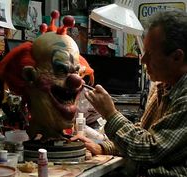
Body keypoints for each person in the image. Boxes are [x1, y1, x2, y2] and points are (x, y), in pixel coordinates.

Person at [71, 10, 187, 177]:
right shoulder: (164, 87)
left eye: (150, 54)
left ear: (177, 57)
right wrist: (103, 147)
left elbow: (150, 149)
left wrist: (110, 114)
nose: (143, 60)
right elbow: (146, 133)